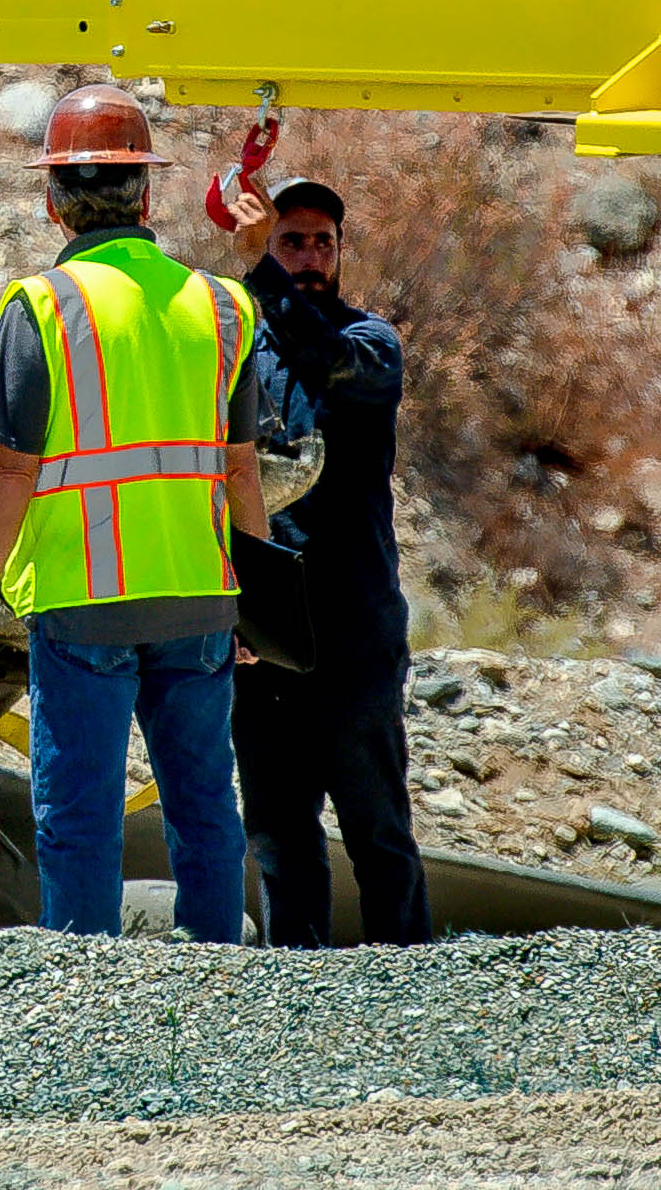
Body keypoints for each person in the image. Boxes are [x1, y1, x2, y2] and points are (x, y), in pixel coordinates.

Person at [0, 86, 271, 944]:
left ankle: (82, 1006)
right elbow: (241, 469)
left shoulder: (43, 307)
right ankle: (218, 982)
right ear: (149, 196)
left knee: (80, 814)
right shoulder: (226, 307)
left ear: (53, 202)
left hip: (86, 603)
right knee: (205, 806)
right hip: (201, 596)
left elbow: (7, 472)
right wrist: (262, 597)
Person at [225, 176, 433, 945]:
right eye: (290, 241)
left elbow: (321, 357)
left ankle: (408, 974)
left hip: (355, 625)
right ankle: (296, 997)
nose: (309, 256)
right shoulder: (240, 353)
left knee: (377, 824)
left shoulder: (370, 343)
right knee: (278, 832)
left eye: (322, 242)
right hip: (267, 629)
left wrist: (261, 273)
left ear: (342, 252)